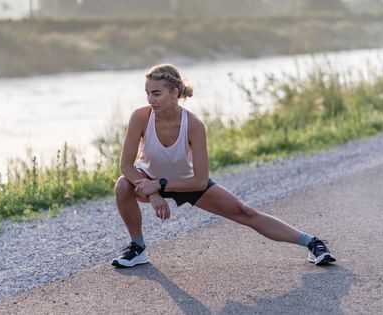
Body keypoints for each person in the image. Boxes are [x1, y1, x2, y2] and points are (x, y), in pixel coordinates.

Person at [112, 64, 336, 268]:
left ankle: (312, 243)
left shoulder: (194, 126)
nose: (150, 99)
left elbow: (200, 180)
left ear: (174, 93)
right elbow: (126, 165)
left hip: (186, 183)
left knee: (244, 212)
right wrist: (153, 193)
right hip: (147, 178)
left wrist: (159, 186)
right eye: (148, 93)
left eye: (156, 93)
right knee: (122, 186)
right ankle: (138, 248)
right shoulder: (141, 117)